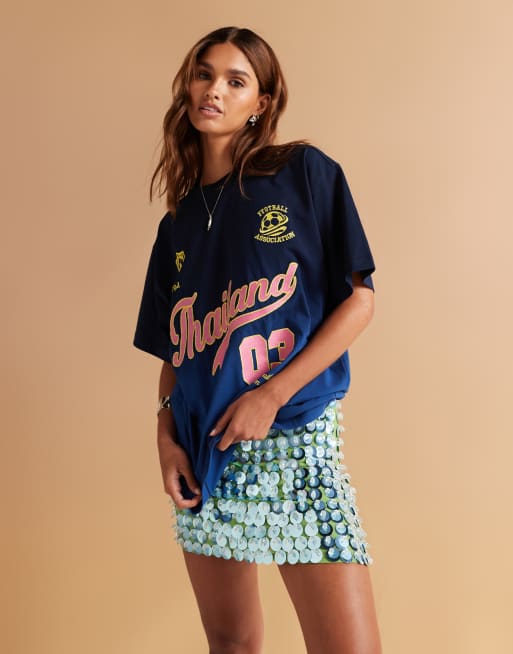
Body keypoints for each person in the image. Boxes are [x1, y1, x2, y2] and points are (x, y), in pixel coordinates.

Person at [133, 25, 382, 654]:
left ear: (260, 103)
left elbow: (360, 301)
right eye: (204, 74)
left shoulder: (303, 174)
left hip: (295, 437)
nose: (213, 90)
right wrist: (164, 437)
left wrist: (271, 395)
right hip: (206, 452)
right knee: (231, 644)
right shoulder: (176, 226)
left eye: (235, 80)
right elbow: (175, 355)